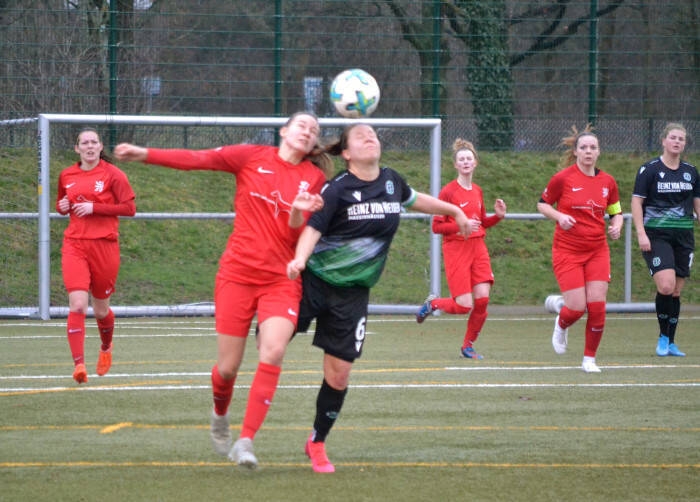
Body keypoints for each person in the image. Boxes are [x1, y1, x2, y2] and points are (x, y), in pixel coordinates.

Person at [113, 112, 331, 469]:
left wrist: (296, 211)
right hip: (237, 275)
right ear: (284, 130)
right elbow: (198, 158)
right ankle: (219, 414)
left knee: (274, 350)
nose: (308, 132)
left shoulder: (314, 178)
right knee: (228, 369)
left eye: (315, 130)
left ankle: (246, 441)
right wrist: (144, 154)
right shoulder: (251, 156)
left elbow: (296, 235)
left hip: (280, 280)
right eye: (302, 125)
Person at [286, 123, 471, 473]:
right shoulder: (337, 189)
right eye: (360, 136)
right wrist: (299, 260)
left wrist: (454, 211)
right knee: (270, 340)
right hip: (312, 284)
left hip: (352, 294)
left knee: (339, 376)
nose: (370, 137)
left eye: (373, 133)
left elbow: (416, 199)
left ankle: (317, 442)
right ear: (346, 153)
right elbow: (312, 228)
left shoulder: (391, 181)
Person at [536, 124, 623, 373]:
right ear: (575, 151)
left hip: (597, 250)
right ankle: (561, 323)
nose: (588, 151)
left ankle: (589, 359)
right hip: (567, 250)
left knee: (597, 306)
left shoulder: (608, 182)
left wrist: (616, 225)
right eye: (583, 147)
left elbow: (616, 211)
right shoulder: (563, 178)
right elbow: (542, 204)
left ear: (599, 152)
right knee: (576, 308)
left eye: (593, 147)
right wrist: (559, 216)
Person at [56, 128, 136, 384]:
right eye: (84, 143)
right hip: (75, 245)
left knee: (101, 310)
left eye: (94, 142)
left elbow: (129, 208)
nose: (89, 146)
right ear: (77, 148)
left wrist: (95, 207)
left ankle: (106, 347)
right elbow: (62, 204)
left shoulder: (114, 174)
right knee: (78, 304)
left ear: (101, 147)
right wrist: (61, 207)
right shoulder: (66, 175)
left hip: (104, 246)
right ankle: (79, 365)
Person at [415, 138, 506, 360]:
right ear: (456, 165)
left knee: (482, 300)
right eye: (461, 159)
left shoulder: (477, 191)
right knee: (464, 305)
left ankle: (468, 346)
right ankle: (433, 304)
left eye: (469, 159)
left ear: (475, 163)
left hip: (478, 248)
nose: (465, 162)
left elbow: (481, 223)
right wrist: (460, 225)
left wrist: (498, 216)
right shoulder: (448, 192)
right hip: (456, 249)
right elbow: (437, 227)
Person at [631, 123, 699, 357]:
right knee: (666, 286)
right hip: (656, 236)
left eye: (681, 138)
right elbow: (637, 202)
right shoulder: (649, 169)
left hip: (684, 237)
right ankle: (662, 336)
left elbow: (697, 204)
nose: (677, 141)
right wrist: (641, 233)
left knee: (676, 292)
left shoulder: (691, 172)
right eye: (673, 137)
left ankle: (671, 342)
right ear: (664, 141)